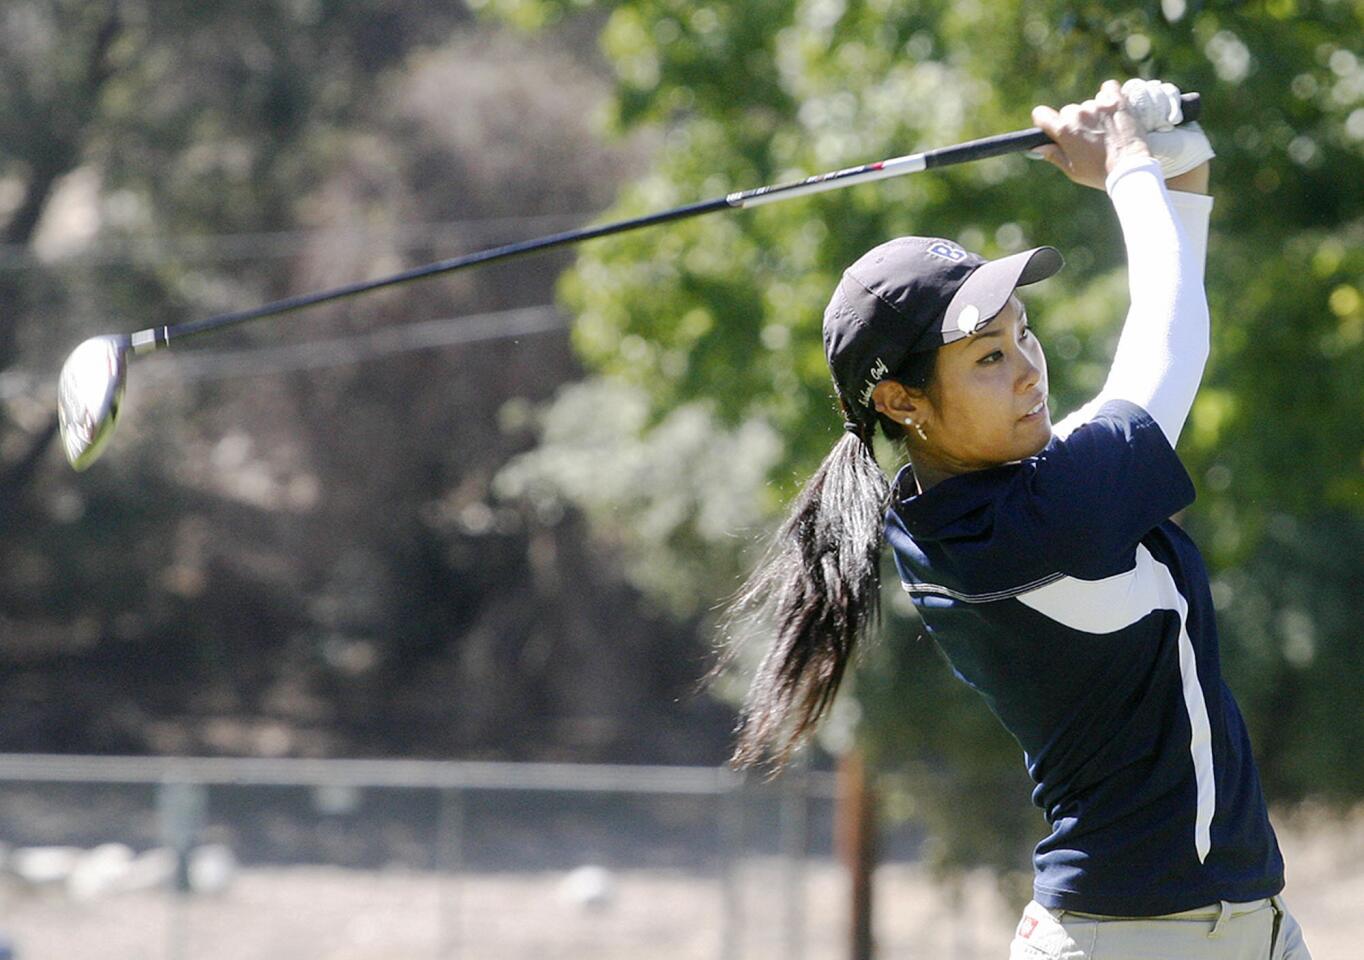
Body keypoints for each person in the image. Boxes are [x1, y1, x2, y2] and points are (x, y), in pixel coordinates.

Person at [720, 80, 1312, 958]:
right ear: (902, 399)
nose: (1031, 370)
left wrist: (1174, 160)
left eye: (1023, 333)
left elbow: (1166, 326)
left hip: (1248, 931)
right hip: (1130, 942)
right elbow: (1171, 340)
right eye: (990, 356)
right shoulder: (1028, 528)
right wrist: (1128, 170)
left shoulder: (996, 500)